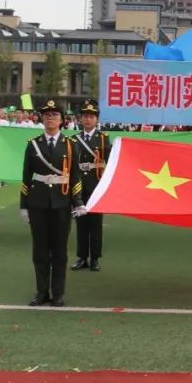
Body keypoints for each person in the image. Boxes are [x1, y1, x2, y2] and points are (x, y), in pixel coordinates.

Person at [21, 100, 84, 306]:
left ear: (62, 120)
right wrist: (24, 205)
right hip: (38, 202)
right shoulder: (33, 144)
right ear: (42, 118)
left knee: (59, 251)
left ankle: (58, 293)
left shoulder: (71, 145)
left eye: (55, 115)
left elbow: (75, 176)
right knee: (40, 250)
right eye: (47, 115)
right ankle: (41, 292)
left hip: (61, 203)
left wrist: (78, 202)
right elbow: (26, 176)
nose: (50, 118)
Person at [71, 99, 112, 269]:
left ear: (96, 119)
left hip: (96, 185)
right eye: (85, 116)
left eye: (91, 116)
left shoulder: (103, 139)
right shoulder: (74, 139)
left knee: (95, 223)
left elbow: (110, 162)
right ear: (81, 119)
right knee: (81, 223)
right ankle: (82, 257)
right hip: (79, 186)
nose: (88, 119)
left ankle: (95, 258)